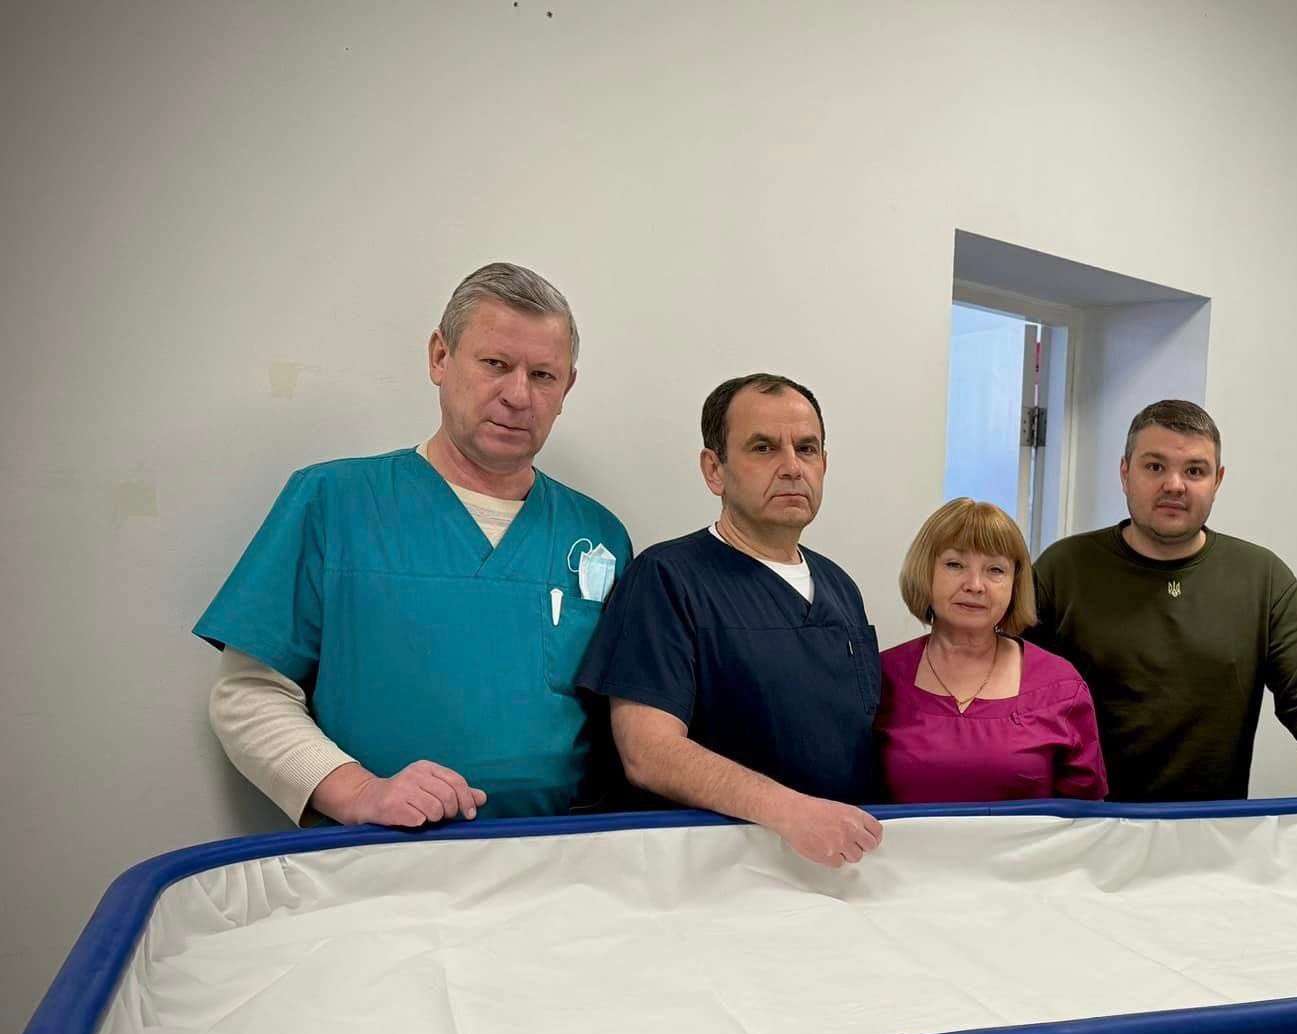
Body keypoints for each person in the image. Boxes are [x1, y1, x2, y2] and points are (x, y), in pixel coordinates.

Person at [195, 262, 631, 826]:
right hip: (383, 852)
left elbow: (627, 719)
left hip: (557, 851)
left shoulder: (598, 535)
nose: (518, 395)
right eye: (495, 365)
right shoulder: (335, 502)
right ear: (440, 357)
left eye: (543, 375)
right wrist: (358, 793)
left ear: (566, 387)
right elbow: (248, 694)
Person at [576, 373, 884, 867]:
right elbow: (647, 753)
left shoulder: (841, 588)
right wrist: (790, 812)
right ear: (714, 470)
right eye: (764, 448)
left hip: (839, 864)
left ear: (824, 465)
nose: (792, 467)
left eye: (806, 449)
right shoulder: (666, 579)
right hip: (715, 870)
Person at [1028, 399, 1297, 822]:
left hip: (1211, 830)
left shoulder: (1261, 577)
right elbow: (1008, 685)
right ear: (1125, 472)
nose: (1174, 485)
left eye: (1194, 471)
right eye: (1154, 466)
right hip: (1082, 825)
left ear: (1217, 481)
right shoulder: (1063, 569)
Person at [877, 500, 1107, 803]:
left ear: (1015, 584)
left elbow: (1085, 818)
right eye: (955, 565)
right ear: (924, 570)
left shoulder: (1062, 686)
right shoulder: (879, 677)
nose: (975, 585)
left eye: (995, 570)